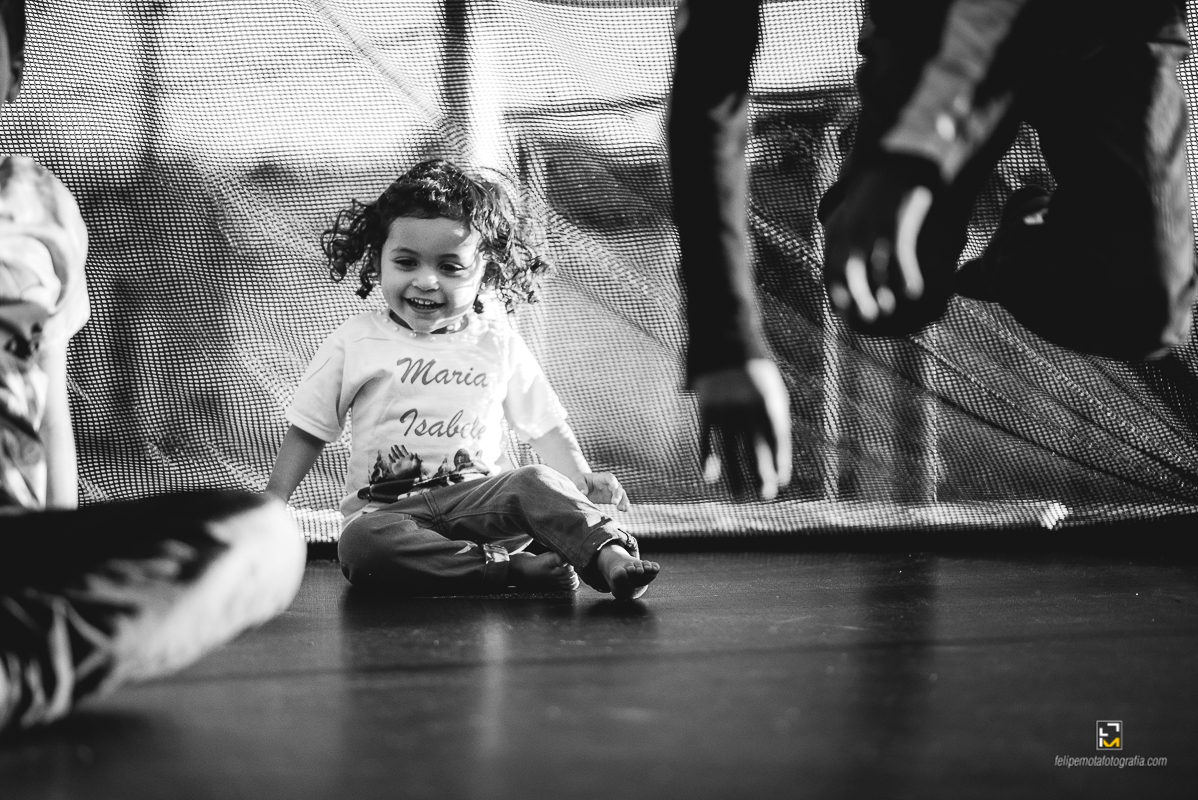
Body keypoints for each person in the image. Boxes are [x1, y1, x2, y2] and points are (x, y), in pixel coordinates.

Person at [669, 0, 1197, 494]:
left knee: (1147, 309)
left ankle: (1020, 222)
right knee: (883, 290)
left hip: (1107, 21)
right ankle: (863, 202)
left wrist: (912, 158)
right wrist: (725, 342)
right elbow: (707, 88)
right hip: (926, 28)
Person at [2, 0, 305, 735]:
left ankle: (17, 674)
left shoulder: (39, 203)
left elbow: (50, 399)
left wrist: (55, 545)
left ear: (11, 75)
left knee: (267, 537)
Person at [266, 159, 660, 600]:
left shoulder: (496, 340)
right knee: (360, 544)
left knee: (535, 479)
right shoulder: (357, 340)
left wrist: (582, 477)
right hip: (393, 518)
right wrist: (273, 499)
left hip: (484, 508)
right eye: (406, 261)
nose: (427, 280)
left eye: (451, 267)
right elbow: (310, 428)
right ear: (378, 260)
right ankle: (511, 570)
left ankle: (608, 555)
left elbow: (544, 424)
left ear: (486, 274)